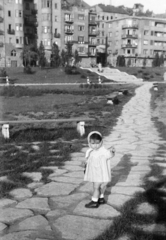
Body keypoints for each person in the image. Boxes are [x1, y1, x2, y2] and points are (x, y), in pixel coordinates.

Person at [84, 131, 115, 208]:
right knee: (98, 187)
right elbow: (88, 160)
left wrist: (112, 152)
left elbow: (109, 155)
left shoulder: (104, 151)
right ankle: (101, 198)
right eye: (93, 143)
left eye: (98, 143)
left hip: (100, 174)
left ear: (101, 142)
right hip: (94, 173)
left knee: (96, 187)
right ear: (89, 143)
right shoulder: (90, 151)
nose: (95, 146)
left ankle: (94, 201)